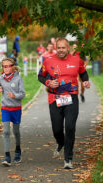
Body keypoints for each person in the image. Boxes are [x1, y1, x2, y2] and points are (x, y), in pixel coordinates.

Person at [38, 38, 90, 169]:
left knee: (70, 127)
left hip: (71, 97)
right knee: (57, 129)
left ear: (68, 48)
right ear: (56, 48)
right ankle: (60, 142)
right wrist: (48, 82)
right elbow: (40, 76)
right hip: (54, 98)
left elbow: (83, 73)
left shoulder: (76, 60)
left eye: (63, 48)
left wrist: (85, 81)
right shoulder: (48, 61)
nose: (61, 50)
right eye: (59, 48)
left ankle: (68, 158)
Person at [0, 57, 25, 166]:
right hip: (5, 108)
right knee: (6, 131)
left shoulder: (18, 79)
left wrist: (15, 96)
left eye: (9, 66)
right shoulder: (0, 78)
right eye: (4, 66)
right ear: (2, 68)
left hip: (16, 108)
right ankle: (7, 156)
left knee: (16, 131)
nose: (7, 68)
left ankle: (18, 150)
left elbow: (22, 94)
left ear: (13, 67)